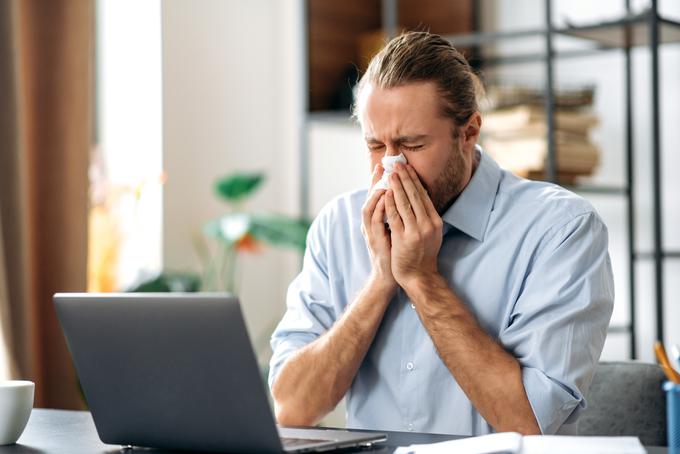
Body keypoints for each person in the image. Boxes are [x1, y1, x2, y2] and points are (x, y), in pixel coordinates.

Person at [268, 31, 614, 436]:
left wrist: (420, 278)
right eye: (376, 146)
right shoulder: (337, 225)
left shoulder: (562, 230)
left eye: (411, 144)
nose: (392, 167)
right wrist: (381, 281)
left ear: (469, 132)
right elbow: (291, 408)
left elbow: (529, 422)